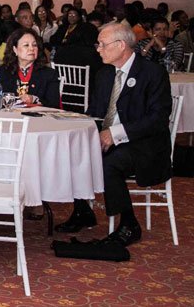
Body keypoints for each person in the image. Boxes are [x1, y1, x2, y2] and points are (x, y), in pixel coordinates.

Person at [55, 23, 173, 246]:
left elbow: (157, 119)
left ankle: (129, 223)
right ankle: (82, 211)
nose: (98, 49)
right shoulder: (105, 74)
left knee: (110, 164)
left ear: (120, 45)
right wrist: (78, 127)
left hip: (144, 144)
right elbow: (95, 112)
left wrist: (115, 133)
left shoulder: (152, 73)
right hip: (108, 139)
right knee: (72, 152)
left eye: (102, 44)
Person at [0, 28, 61, 108]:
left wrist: (34, 99)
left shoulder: (49, 74)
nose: (31, 49)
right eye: (26, 45)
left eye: (34, 45)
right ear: (15, 50)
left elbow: (54, 104)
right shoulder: (3, 71)